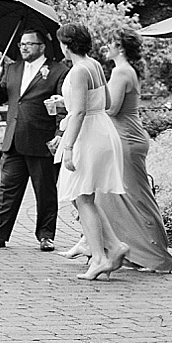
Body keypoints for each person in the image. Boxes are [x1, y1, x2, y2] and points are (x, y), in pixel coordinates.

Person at [62, 30, 172, 273]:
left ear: (120, 48)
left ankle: (154, 257)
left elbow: (110, 108)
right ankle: (101, 245)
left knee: (133, 198)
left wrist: (75, 108)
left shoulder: (121, 72)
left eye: (111, 43)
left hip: (125, 138)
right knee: (107, 198)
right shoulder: (107, 68)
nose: (106, 47)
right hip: (123, 136)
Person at [0, 28, 70, 250]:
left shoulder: (58, 71)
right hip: (14, 140)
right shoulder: (12, 68)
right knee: (7, 190)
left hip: (42, 140)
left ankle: (46, 235)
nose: (24, 47)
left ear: (42, 47)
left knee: (45, 192)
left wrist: (59, 135)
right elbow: (0, 98)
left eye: (29, 44)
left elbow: (62, 107)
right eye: (21, 44)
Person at [54, 21, 129, 281]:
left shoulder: (77, 71)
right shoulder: (94, 64)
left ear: (66, 46)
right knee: (83, 196)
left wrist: (68, 147)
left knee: (81, 197)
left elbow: (79, 112)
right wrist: (67, 101)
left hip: (86, 133)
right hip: (102, 129)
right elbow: (105, 101)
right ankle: (113, 246)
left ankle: (99, 257)